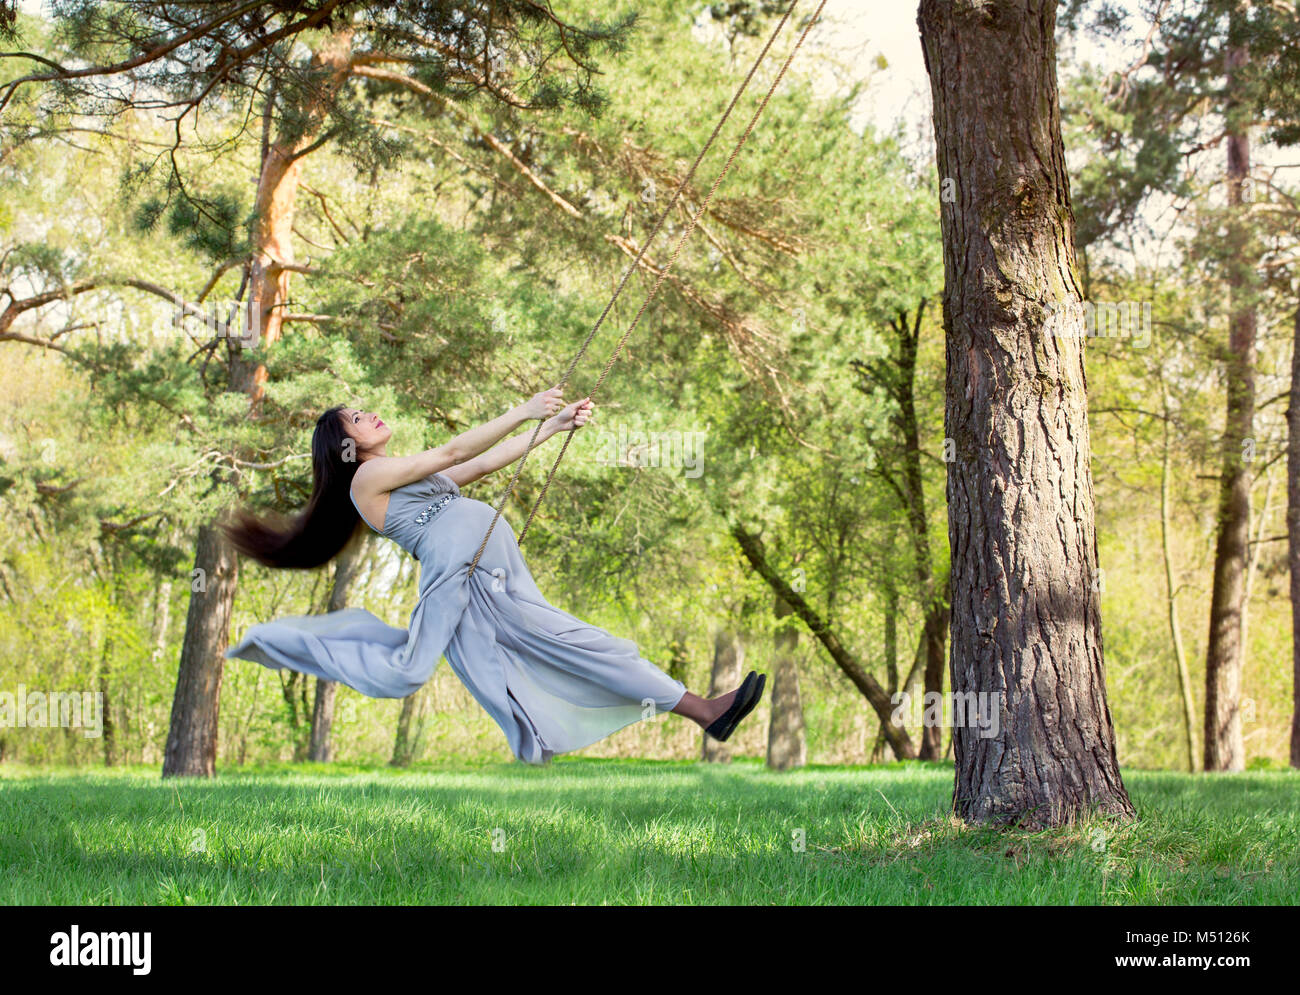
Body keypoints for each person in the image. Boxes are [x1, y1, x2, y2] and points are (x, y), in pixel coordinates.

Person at [221, 388, 765, 764]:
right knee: (572, 647)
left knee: (579, 646)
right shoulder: (369, 477)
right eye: (358, 419)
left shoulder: (397, 472)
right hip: (464, 583)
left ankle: (703, 712)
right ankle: (701, 710)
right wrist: (526, 410)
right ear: (348, 445)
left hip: (491, 575)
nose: (371, 416)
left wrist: (549, 428)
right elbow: (458, 449)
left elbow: (476, 465)